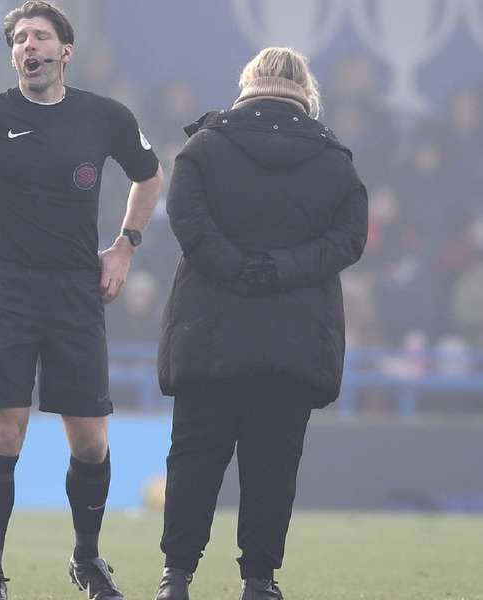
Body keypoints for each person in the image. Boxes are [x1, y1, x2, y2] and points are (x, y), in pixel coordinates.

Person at [0, 2, 162, 599]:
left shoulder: (104, 116)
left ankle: (88, 561)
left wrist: (124, 247)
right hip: (8, 288)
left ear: (66, 51)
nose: (29, 46)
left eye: (41, 37)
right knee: (4, 436)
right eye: (20, 39)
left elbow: (150, 176)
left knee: (92, 441)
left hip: (76, 289)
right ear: (13, 54)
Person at [154, 47, 368, 600]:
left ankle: (176, 576)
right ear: (305, 90)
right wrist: (280, 269)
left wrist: (237, 269)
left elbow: (187, 222)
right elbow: (348, 240)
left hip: (209, 331)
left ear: (247, 83)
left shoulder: (203, 147)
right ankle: (259, 581)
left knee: (195, 457)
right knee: (273, 463)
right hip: (293, 337)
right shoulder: (335, 161)